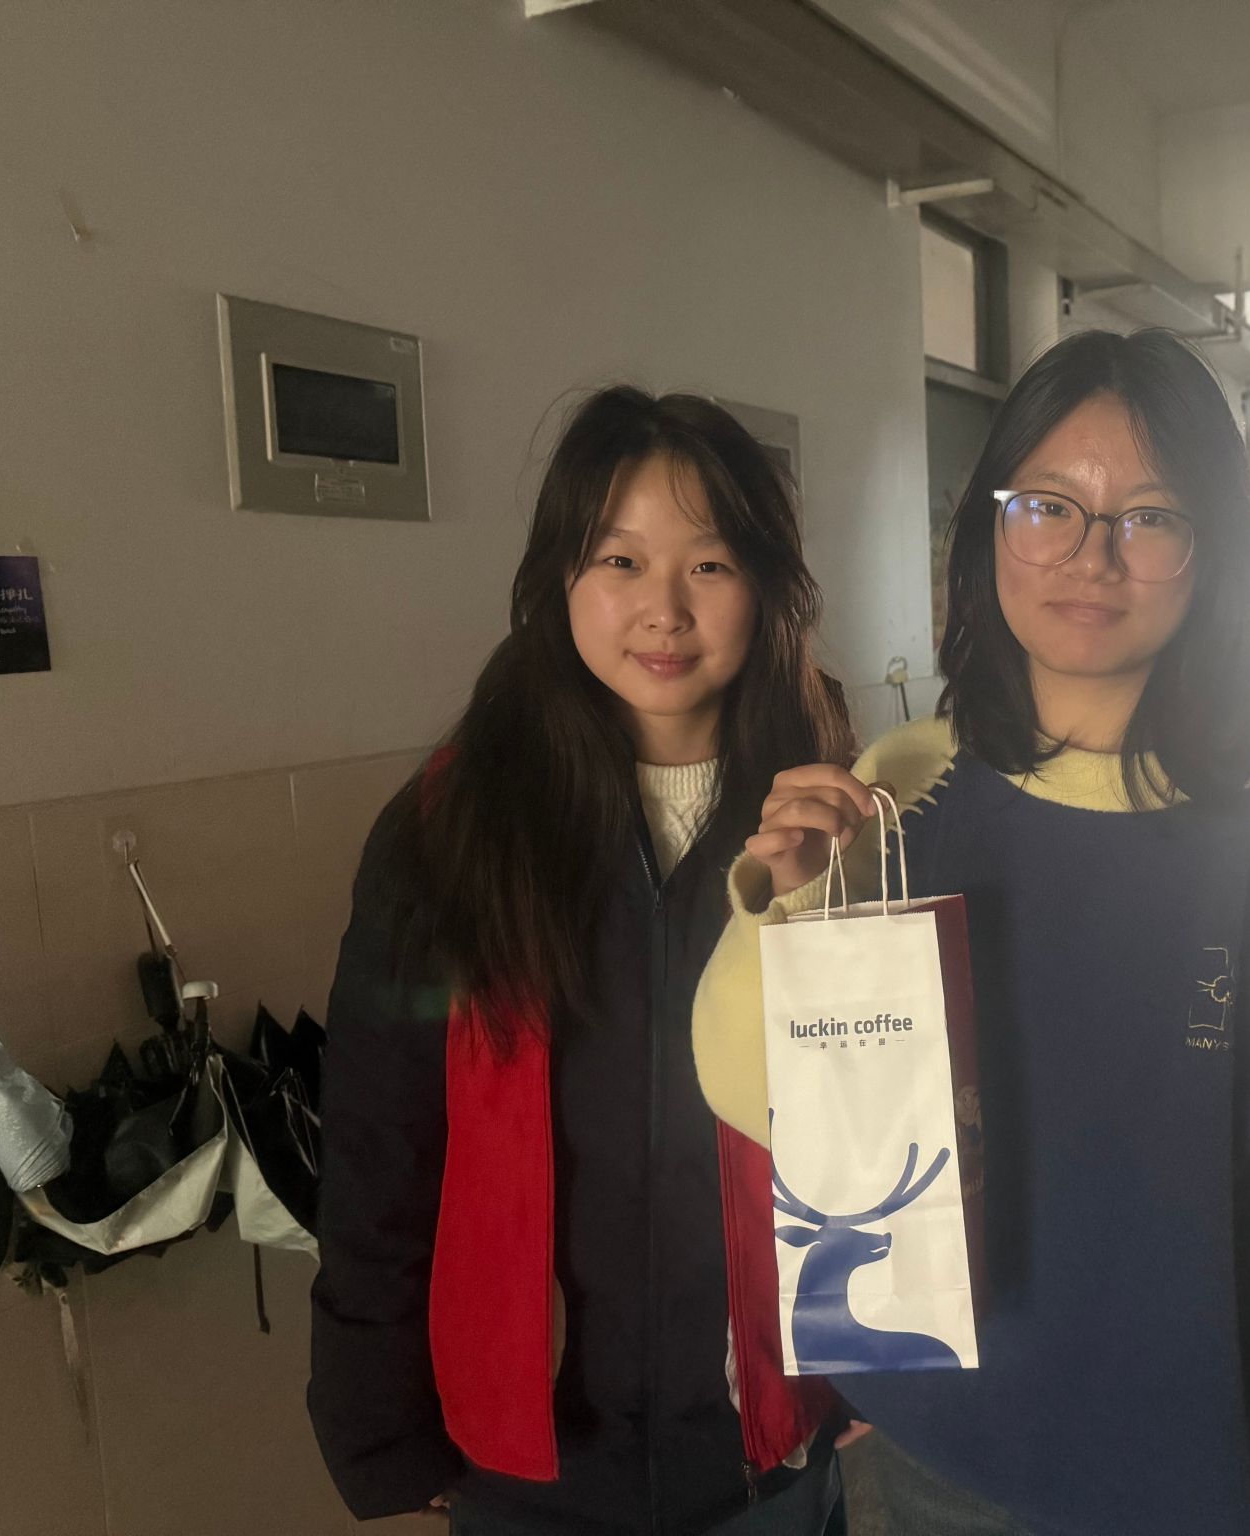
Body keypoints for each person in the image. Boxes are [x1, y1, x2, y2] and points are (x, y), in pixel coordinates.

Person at [692, 330, 1250, 1536]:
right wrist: (794, 901)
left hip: (1201, 1474)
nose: (1091, 556)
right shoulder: (906, 783)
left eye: (1149, 517)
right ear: (988, 528)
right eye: (1048, 508)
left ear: (1210, 550)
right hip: (936, 1460)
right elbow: (755, 1090)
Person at [310, 387, 855, 1535]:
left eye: (708, 564)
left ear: (767, 585)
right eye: (619, 560)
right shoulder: (453, 828)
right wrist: (381, 1420)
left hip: (759, 1450)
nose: (663, 609)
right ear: (559, 576)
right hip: (530, 1463)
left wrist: (870, 1358)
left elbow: (882, 1116)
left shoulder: (826, 819)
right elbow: (378, 1142)